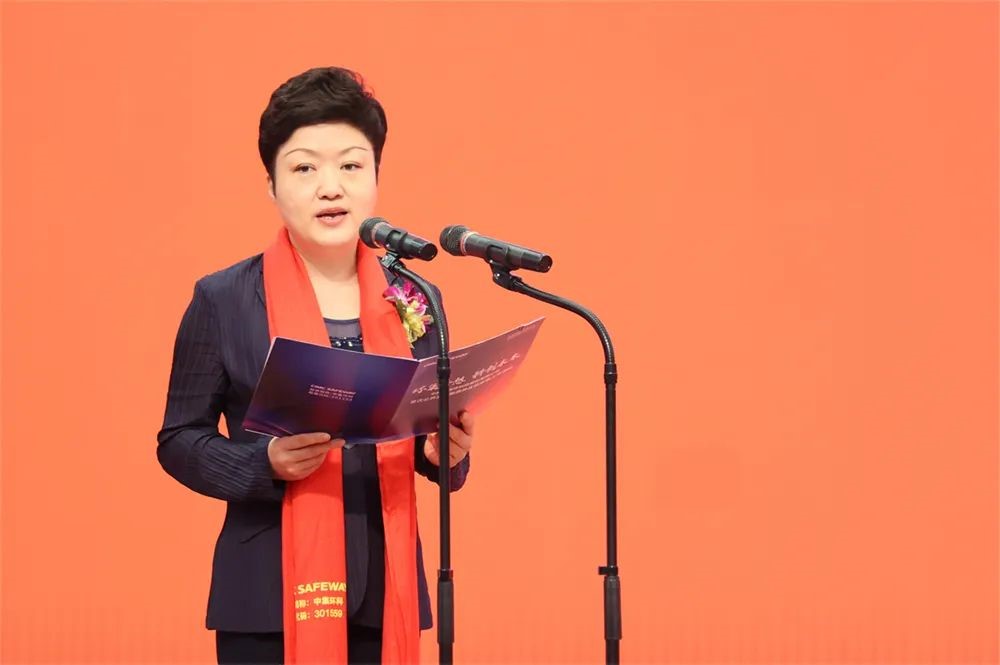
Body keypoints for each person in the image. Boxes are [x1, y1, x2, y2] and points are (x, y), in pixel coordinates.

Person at [157, 66, 473, 665]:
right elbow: (179, 439)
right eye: (304, 168)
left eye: (351, 166)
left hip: (388, 592)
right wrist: (263, 463)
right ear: (271, 185)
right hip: (267, 599)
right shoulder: (224, 299)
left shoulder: (416, 297)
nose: (331, 187)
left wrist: (445, 453)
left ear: (376, 176)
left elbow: (429, 439)